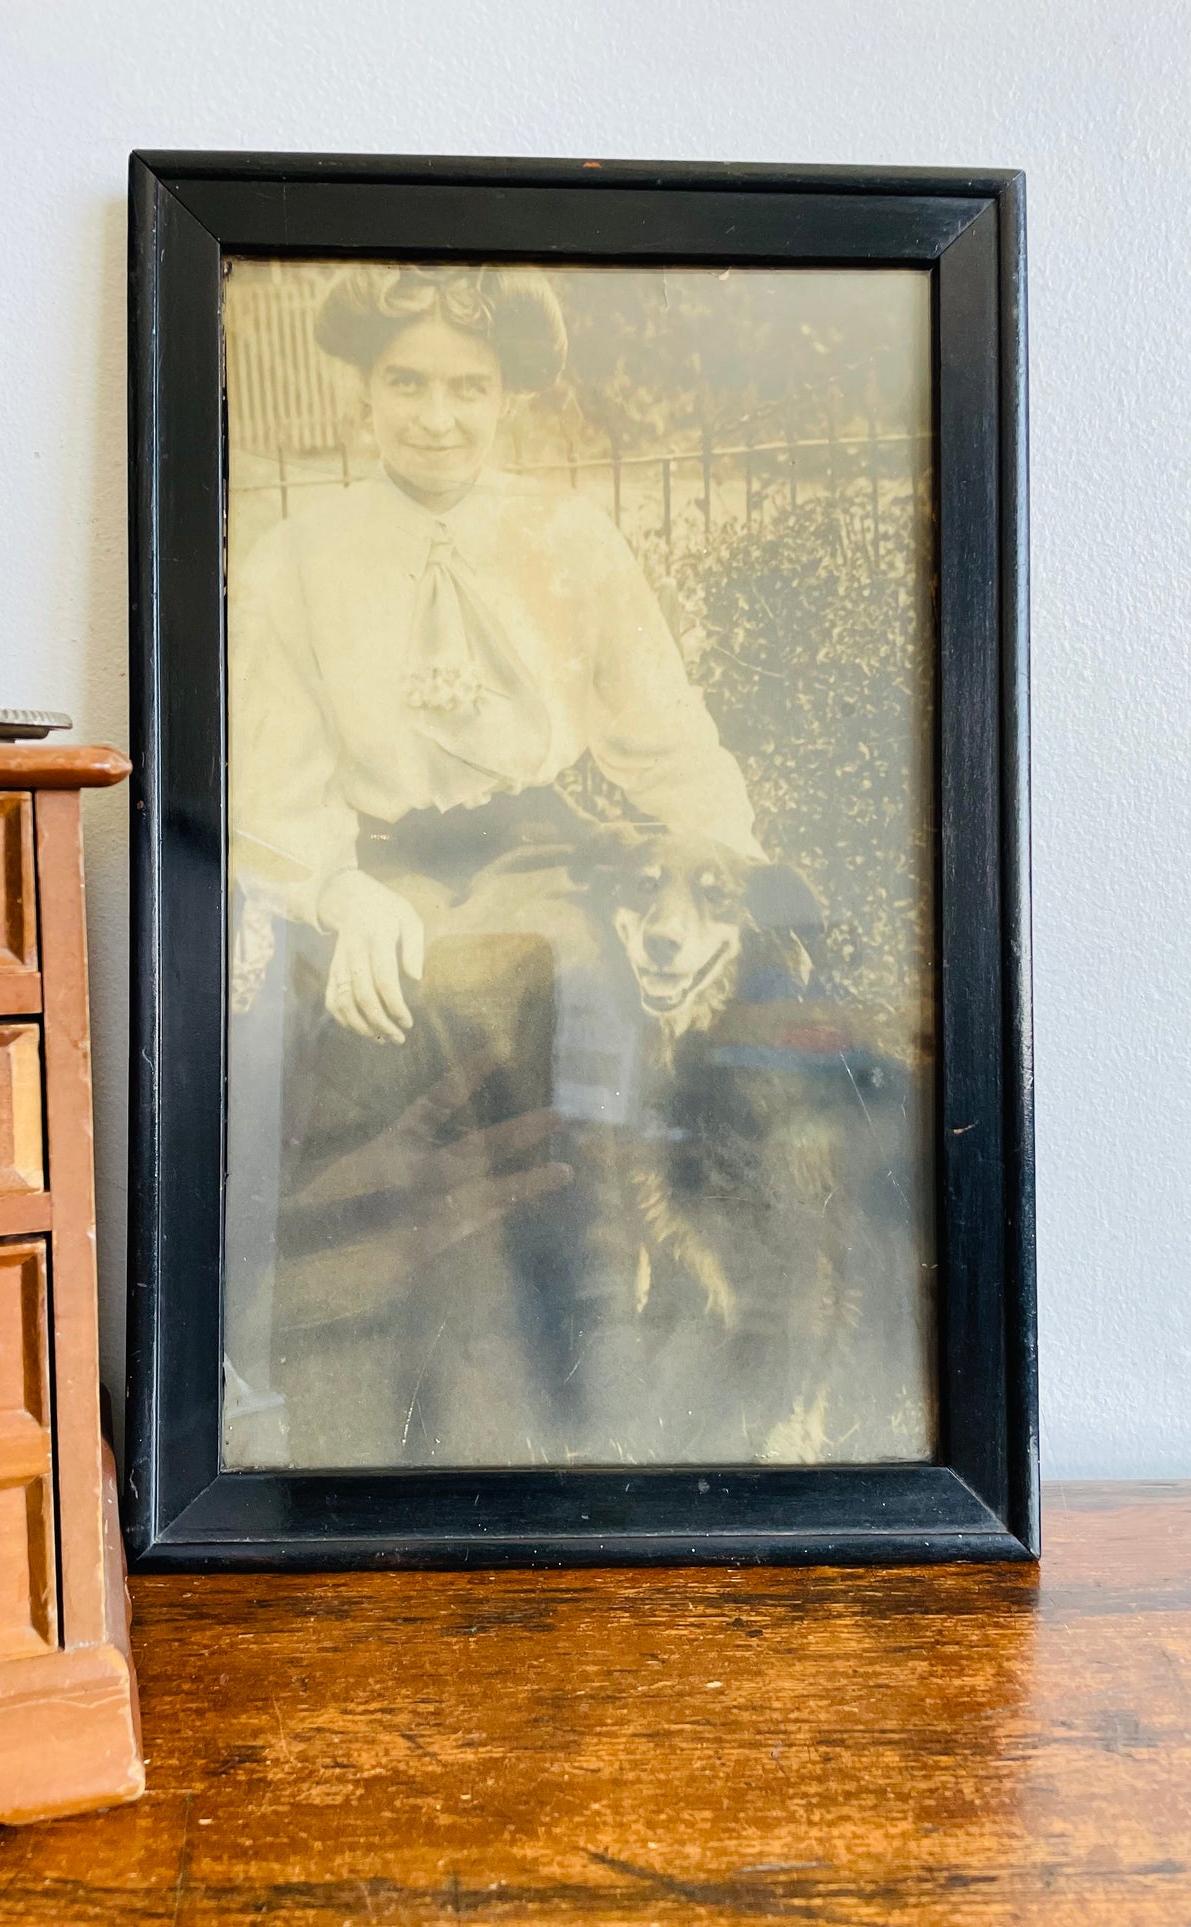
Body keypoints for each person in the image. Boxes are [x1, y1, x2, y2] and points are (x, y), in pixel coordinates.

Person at [225, 264, 763, 1467]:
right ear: (360, 395)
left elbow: (661, 735)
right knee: (371, 1047)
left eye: (466, 387)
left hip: (539, 861)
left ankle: (596, 1398)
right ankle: (380, 1419)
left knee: (593, 1012)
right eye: (404, 383)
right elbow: (274, 773)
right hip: (378, 878)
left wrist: (743, 872)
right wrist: (340, 888)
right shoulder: (294, 560)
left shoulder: (567, 537)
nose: (435, 414)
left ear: (504, 395)